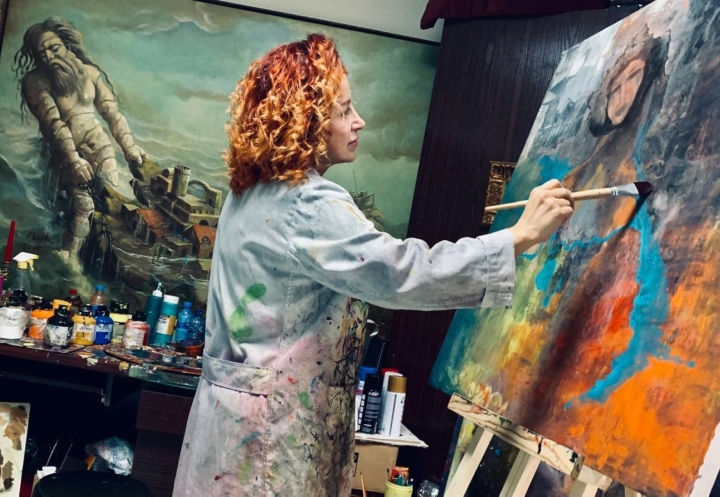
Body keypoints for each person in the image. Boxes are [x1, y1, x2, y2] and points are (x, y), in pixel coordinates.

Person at [173, 34, 573, 496]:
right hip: (269, 439)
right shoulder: (307, 202)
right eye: (344, 110)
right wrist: (519, 237)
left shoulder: (248, 192)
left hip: (231, 426)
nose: (358, 120)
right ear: (307, 122)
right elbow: (402, 273)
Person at [13, 17, 145, 256]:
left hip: (100, 147)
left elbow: (112, 114)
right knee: (84, 206)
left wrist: (129, 148)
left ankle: (101, 252)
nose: (50, 57)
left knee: (112, 195)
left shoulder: (90, 73)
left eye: (54, 48)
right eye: (42, 54)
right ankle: (69, 259)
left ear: (66, 44)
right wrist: (74, 160)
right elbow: (54, 124)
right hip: (66, 154)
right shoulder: (35, 82)